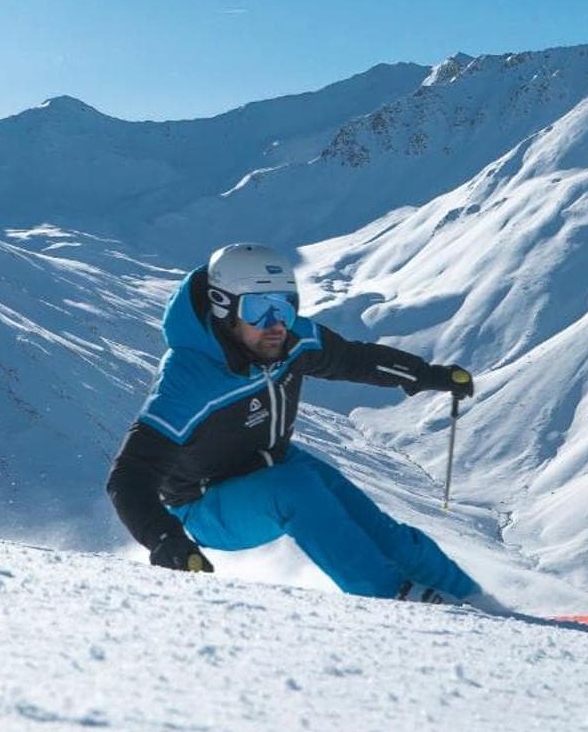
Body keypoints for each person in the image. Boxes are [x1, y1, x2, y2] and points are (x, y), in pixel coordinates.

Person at [107, 243, 500, 608]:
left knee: (377, 529)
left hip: (275, 465)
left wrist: (425, 375)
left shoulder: (292, 342)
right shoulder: (191, 377)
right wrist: (166, 540)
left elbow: (353, 359)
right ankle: (392, 597)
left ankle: (474, 599)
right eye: (259, 309)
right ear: (223, 308)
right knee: (295, 488)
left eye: (285, 307)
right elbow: (129, 475)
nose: (276, 324)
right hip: (204, 506)